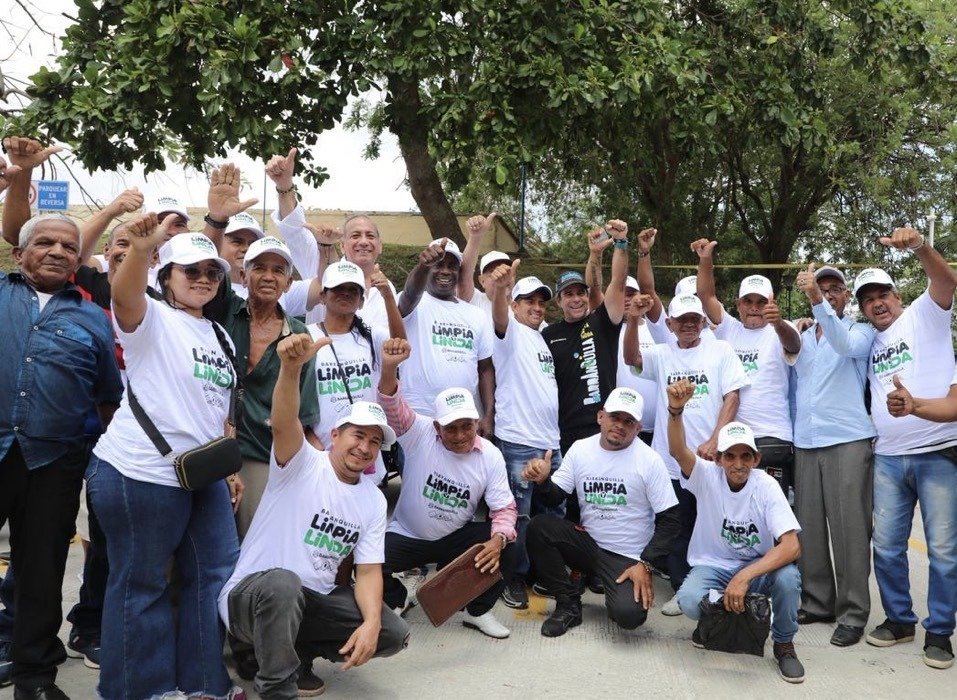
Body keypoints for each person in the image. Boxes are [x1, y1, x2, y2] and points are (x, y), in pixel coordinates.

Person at [87, 214, 242, 700]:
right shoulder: (151, 317)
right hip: (140, 472)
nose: (203, 279)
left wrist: (228, 467)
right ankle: (140, 691)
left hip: (201, 476)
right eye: (190, 270)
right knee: (143, 585)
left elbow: (217, 407)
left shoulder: (219, 334)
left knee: (215, 575)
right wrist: (139, 250)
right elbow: (124, 296)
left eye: (212, 272)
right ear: (165, 275)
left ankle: (203, 685)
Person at [220, 333, 409, 699]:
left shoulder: (373, 499)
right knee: (284, 584)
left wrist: (371, 623)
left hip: (309, 604)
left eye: (374, 442)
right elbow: (283, 422)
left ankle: (298, 656)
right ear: (335, 434)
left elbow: (368, 572)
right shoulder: (302, 463)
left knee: (391, 632)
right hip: (252, 599)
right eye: (358, 435)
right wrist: (291, 370)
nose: (365, 447)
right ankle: (276, 688)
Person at [0, 214, 123, 700]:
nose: (57, 251)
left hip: (55, 462)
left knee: (41, 571)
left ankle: (34, 678)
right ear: (19, 253)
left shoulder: (94, 318)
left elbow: (107, 397)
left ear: (78, 259)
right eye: (45, 242)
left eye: (69, 247)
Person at [847, 227, 957, 670]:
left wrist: (919, 247)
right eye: (867, 299)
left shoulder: (923, 314)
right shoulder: (867, 340)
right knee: (888, 546)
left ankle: (940, 632)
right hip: (888, 458)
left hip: (938, 451)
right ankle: (899, 620)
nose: (877, 303)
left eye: (883, 294)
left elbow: (945, 280)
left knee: (943, 550)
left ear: (898, 296)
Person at [666, 379, 805, 684]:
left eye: (745, 456)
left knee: (788, 579)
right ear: (718, 459)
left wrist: (744, 577)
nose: (738, 463)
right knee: (688, 600)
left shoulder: (766, 486)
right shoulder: (706, 476)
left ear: (756, 459)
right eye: (729, 455)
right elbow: (677, 451)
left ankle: (784, 644)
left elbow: (791, 546)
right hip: (714, 566)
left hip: (756, 568)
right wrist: (676, 411)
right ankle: (714, 622)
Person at [376, 339, 517, 638]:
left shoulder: (490, 455)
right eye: (451, 428)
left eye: (467, 426)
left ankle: (476, 611)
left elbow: (504, 509)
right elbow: (392, 405)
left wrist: (498, 540)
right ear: (436, 426)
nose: (460, 435)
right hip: (408, 534)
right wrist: (389, 369)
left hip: (455, 539)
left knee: (512, 543)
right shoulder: (420, 434)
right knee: (366, 557)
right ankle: (398, 597)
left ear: (476, 423)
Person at [623, 291, 748, 616]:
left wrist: (716, 438)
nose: (689, 325)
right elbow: (632, 358)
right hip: (670, 460)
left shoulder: (720, 349)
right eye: (682, 320)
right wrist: (634, 319)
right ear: (670, 325)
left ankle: (719, 586)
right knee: (678, 527)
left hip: (710, 460)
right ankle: (682, 590)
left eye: (694, 319)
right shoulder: (662, 354)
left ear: (703, 321)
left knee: (712, 526)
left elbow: (732, 396)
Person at [523, 388, 680, 638]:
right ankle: (568, 604)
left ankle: (611, 587)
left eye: (629, 421)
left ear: (638, 428)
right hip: (588, 545)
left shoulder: (650, 460)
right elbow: (555, 497)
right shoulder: (580, 449)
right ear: (600, 417)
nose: (620, 425)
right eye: (615, 417)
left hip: (627, 557)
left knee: (629, 617)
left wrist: (645, 564)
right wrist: (543, 481)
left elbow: (671, 520)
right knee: (539, 527)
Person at [791, 263, 876, 647]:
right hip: (807, 441)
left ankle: (853, 613)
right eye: (820, 288)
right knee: (808, 527)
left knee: (849, 531)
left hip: (847, 440)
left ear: (845, 297)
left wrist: (816, 302)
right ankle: (818, 601)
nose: (827, 294)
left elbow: (844, 345)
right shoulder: (804, 336)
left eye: (833, 289)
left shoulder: (860, 331)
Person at [219, 237, 322, 538]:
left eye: (278, 270)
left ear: (288, 283)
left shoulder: (299, 335)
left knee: (251, 542)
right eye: (259, 268)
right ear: (243, 275)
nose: (268, 276)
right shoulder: (224, 312)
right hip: (211, 444)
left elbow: (303, 414)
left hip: (261, 454)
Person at [692, 239, 800, 496]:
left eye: (761, 302)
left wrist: (778, 323)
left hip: (772, 437)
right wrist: (705, 259)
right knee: (735, 511)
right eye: (747, 301)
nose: (754, 307)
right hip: (733, 437)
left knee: (771, 510)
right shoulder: (729, 329)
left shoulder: (783, 328)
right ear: (738, 304)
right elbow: (706, 296)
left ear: (772, 303)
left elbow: (794, 344)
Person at [486, 263, 562, 610]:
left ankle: (543, 575)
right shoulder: (510, 332)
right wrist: (502, 289)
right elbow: (499, 317)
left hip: (550, 444)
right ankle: (511, 578)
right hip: (519, 441)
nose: (536, 307)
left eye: (541, 302)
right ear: (514, 305)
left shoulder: (541, 336)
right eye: (528, 301)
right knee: (518, 516)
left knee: (552, 515)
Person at [266, 148, 397, 330]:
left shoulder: (387, 288)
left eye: (370, 236)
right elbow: (294, 230)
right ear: (342, 245)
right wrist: (284, 185)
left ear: (380, 246)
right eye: (355, 235)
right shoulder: (321, 262)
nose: (363, 242)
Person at [307, 258, 405, 484]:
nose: (345, 293)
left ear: (362, 301)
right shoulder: (306, 335)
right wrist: (310, 440)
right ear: (322, 296)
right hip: (320, 452)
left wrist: (388, 297)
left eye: (353, 290)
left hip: (365, 452)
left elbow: (400, 346)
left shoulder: (372, 336)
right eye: (337, 288)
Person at [542, 220, 629, 458]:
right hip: (565, 432)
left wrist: (621, 242)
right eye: (568, 294)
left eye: (580, 293)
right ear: (558, 301)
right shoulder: (547, 335)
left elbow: (618, 283)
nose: (576, 299)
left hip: (604, 429)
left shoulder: (602, 322)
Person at [396, 238, 495, 428]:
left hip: (462, 422)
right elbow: (410, 293)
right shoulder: (413, 303)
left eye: (452, 266)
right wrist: (423, 266)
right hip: (418, 418)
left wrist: (488, 416)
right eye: (438, 264)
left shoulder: (477, 315)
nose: (445, 271)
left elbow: (485, 369)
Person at [457, 212, 511, 315]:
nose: (501, 275)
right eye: (492, 272)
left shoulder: (525, 308)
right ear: (482, 281)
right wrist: (476, 237)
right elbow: (463, 278)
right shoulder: (475, 301)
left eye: (506, 270)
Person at [221, 211, 266, 297]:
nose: (246, 249)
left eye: (252, 244)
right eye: (237, 242)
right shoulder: (204, 289)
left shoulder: (278, 289)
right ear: (219, 244)